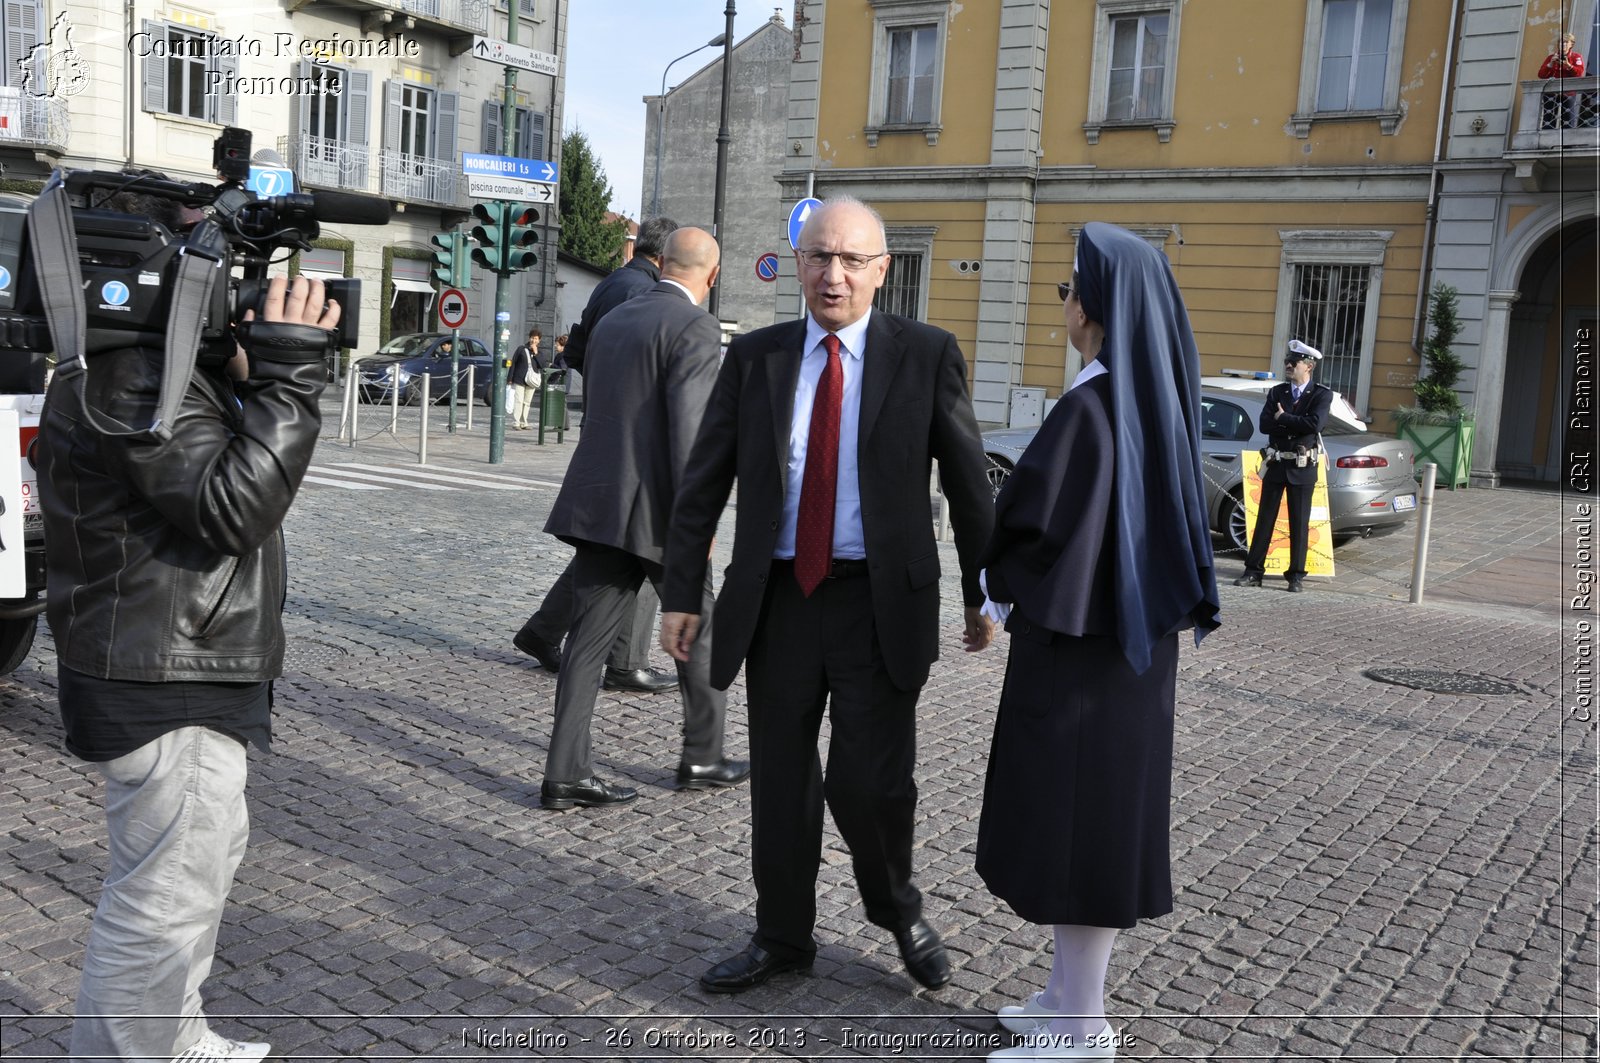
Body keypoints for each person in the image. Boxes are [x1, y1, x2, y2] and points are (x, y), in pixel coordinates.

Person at [659, 197, 996, 994]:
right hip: (781, 599)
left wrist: (983, 591)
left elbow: (968, 480)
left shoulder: (926, 354)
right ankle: (782, 933)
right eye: (818, 256)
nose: (833, 274)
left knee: (870, 781)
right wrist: (681, 590)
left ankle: (897, 905)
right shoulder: (760, 359)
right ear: (795, 264)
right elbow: (704, 476)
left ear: (882, 271)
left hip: (880, 603)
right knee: (781, 779)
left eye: (851, 260)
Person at [39, 186, 341, 1061]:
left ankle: (174, 1034)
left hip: (175, 658)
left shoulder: (143, 364)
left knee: (194, 875)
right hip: (165, 676)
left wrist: (241, 377)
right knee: (163, 899)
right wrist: (289, 372)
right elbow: (231, 506)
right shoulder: (133, 372)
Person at [975, 223, 1221, 1061]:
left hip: (1081, 659)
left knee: (1078, 837)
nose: (1065, 305)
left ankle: (1081, 1026)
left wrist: (991, 586)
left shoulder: (1091, 406)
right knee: (1088, 831)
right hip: (1129, 658)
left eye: (1069, 289)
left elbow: (1031, 521)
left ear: (1097, 306)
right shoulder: (1156, 403)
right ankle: (1063, 997)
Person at [539, 228, 747, 809]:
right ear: (712, 274)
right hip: (660, 513)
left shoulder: (615, 318)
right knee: (698, 629)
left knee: (584, 645)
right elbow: (690, 433)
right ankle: (702, 755)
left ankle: (565, 774)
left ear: (660, 265)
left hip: (600, 500)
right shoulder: (696, 326)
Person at [513, 217, 682, 694]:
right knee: (643, 544)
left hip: (608, 429)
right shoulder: (642, 293)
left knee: (607, 552)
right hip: (632, 436)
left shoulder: (616, 283)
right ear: (665, 257)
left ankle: (544, 630)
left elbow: (584, 351)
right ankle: (624, 662)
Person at [1233, 339, 1333, 593]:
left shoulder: (1321, 394)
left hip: (1302, 466)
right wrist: (1292, 422)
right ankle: (1253, 571)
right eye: (1288, 361)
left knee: (1300, 523)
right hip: (1276, 464)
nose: (1289, 365)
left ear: (1308, 366)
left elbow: (1315, 425)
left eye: (1294, 362)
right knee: (1264, 520)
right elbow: (1266, 425)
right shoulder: (1278, 392)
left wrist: (1284, 418)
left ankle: (1295, 576)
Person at [1538, 32, 1587, 128]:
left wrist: (1569, 65)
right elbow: (1541, 75)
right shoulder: (1551, 57)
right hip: (1551, 93)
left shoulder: (1576, 57)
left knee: (1568, 120)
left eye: (1565, 42)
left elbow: (1579, 73)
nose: (1563, 44)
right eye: (1561, 42)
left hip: (1568, 92)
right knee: (1548, 120)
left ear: (1571, 44)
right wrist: (1551, 64)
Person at [509, 327, 544, 430]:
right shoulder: (521, 349)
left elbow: (542, 365)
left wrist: (536, 353)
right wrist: (510, 378)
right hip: (519, 379)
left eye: (536, 338)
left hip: (532, 381)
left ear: (539, 340)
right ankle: (516, 422)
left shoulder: (540, 353)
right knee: (519, 400)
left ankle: (524, 421)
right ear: (529, 338)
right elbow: (513, 363)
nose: (534, 340)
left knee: (527, 402)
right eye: (532, 338)